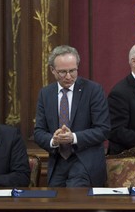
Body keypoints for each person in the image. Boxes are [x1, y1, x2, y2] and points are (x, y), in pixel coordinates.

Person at [34, 45, 110, 187]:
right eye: (63, 72)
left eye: (72, 71)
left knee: (76, 204)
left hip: (84, 163)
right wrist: (54, 140)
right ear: (53, 71)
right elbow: (38, 132)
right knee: (54, 206)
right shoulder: (46, 94)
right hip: (57, 163)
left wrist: (73, 137)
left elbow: (103, 129)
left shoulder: (93, 90)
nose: (69, 76)